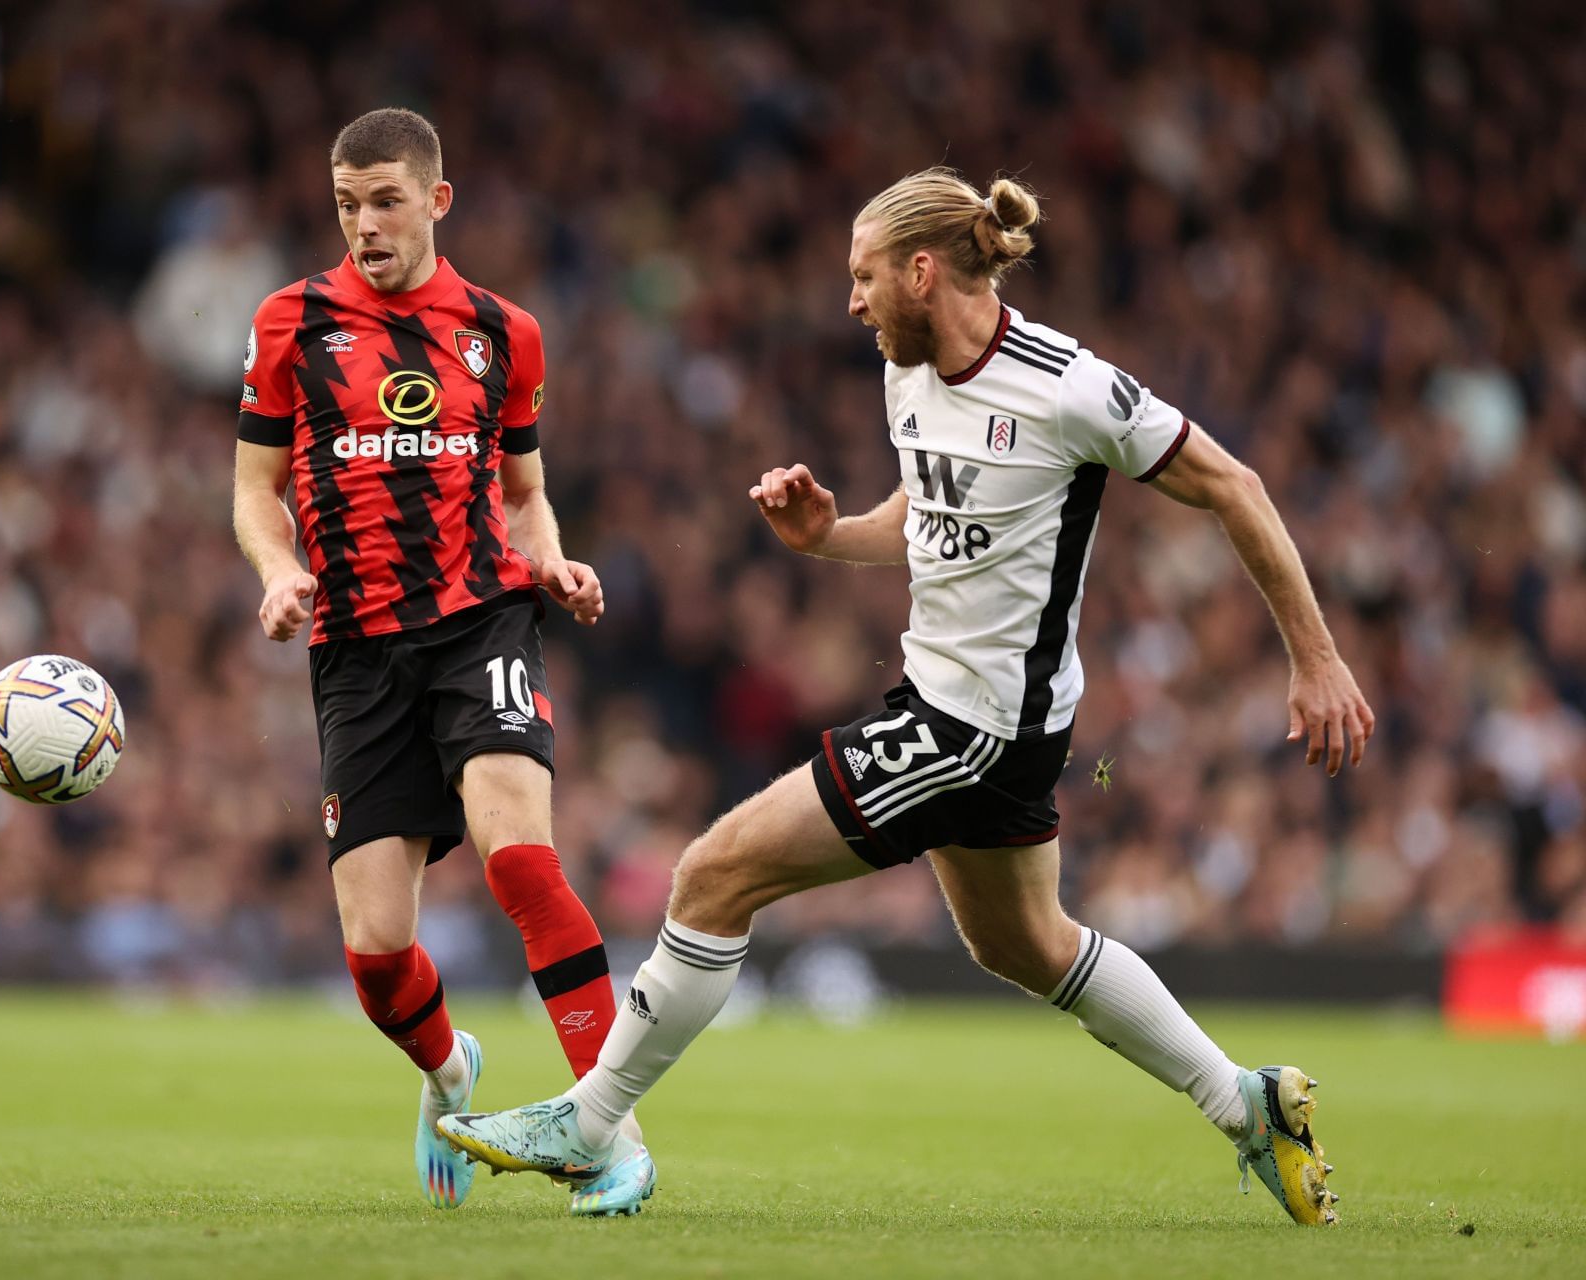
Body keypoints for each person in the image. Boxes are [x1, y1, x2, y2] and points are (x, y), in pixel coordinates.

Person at [440, 168, 1373, 1227]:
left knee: (713, 872)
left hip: (974, 726)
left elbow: (1233, 485)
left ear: (923, 271)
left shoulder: (1069, 386)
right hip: (976, 715)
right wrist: (828, 535)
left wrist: (1316, 657)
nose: (851, 300)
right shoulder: (908, 373)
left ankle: (592, 1119)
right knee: (1025, 943)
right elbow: (925, 513)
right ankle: (1246, 1103)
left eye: (864, 275)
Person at [230, 108, 651, 1216]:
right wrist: (276, 571)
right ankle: (449, 1069)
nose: (365, 224)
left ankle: (610, 1127)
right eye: (345, 204)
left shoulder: (504, 330)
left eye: (385, 201)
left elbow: (524, 491)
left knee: (523, 860)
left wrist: (552, 562)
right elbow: (251, 490)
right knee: (376, 954)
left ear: (435, 200)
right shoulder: (291, 322)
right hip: (355, 650)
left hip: (481, 623)